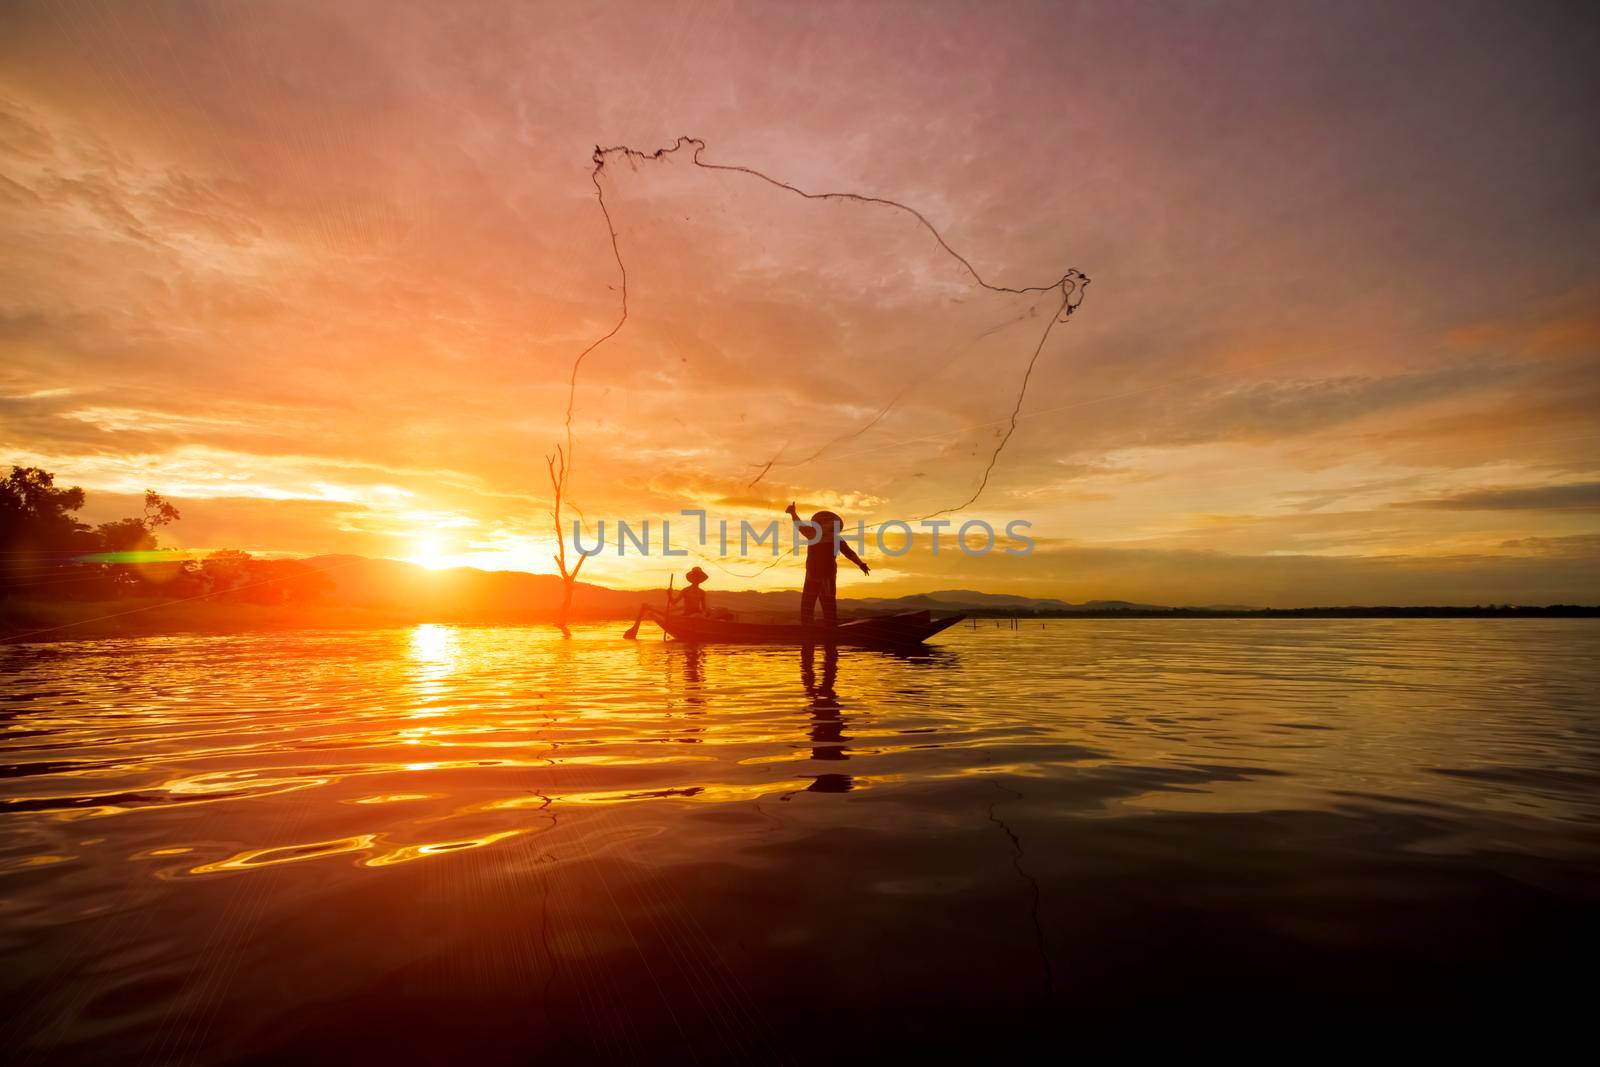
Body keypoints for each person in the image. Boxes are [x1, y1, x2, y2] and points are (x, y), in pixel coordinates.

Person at [785, 501, 870, 627]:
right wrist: (860, 564)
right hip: (819, 575)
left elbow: (849, 553)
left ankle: (819, 628)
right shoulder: (821, 536)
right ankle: (823, 628)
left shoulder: (815, 535)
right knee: (820, 603)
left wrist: (793, 513)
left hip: (820, 575)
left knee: (815, 603)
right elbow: (849, 553)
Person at [623, 566, 711, 639]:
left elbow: (703, 608)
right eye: (695, 576)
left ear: (700, 579)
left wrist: (704, 614)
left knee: (700, 616)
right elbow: (674, 602)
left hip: (698, 616)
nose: (696, 578)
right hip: (688, 615)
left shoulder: (702, 592)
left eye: (698, 576)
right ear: (691, 578)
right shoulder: (685, 590)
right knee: (691, 616)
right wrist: (669, 594)